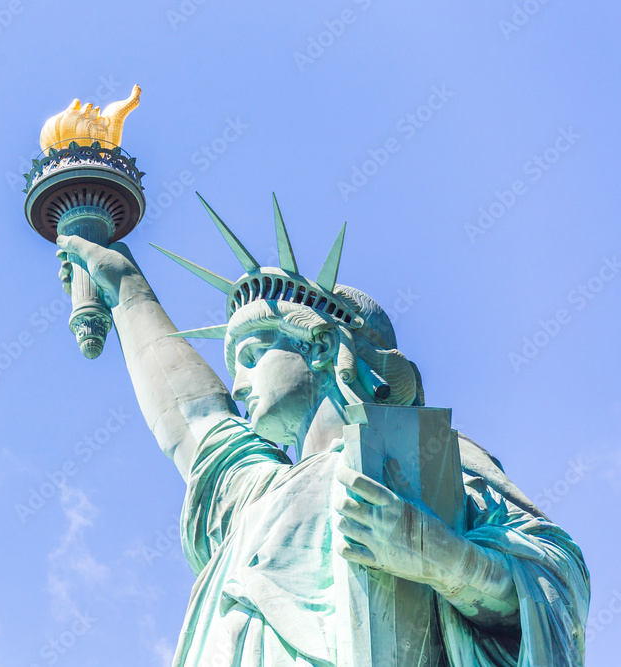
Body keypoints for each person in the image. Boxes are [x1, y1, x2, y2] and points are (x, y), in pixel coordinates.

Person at [54, 197, 589, 666]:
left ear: (319, 346)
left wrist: (445, 558)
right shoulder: (257, 495)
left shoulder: (425, 458)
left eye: (251, 355)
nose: (237, 385)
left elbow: (556, 585)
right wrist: (124, 287)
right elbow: (196, 419)